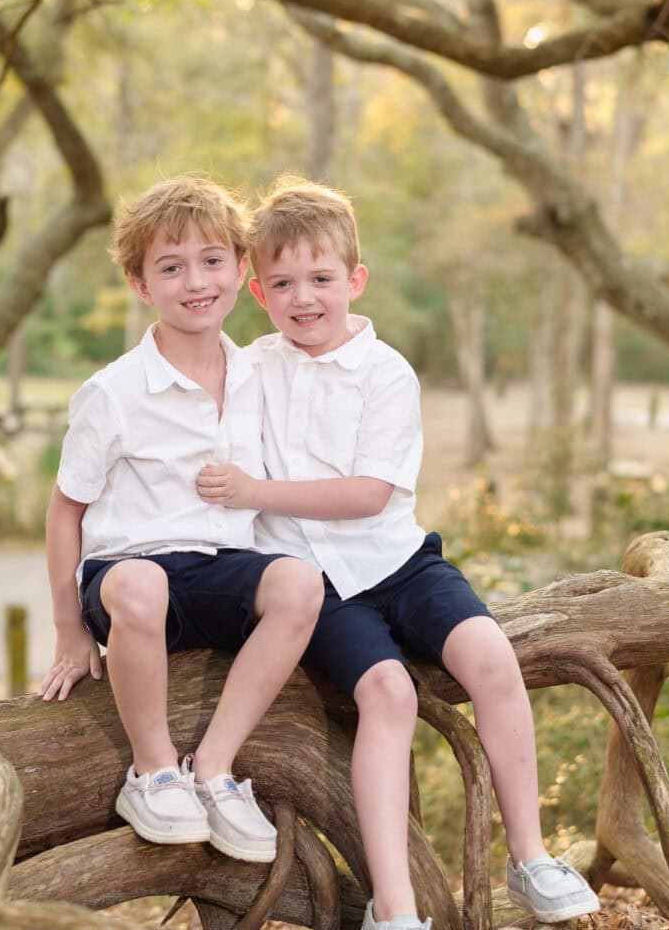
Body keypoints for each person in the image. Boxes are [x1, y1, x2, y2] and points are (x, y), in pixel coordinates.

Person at [197, 175, 603, 927]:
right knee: (389, 695)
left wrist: (254, 490)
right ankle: (397, 906)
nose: (303, 297)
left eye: (320, 279)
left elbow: (368, 495)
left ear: (355, 280)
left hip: (399, 562)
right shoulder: (250, 366)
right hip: (317, 584)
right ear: (259, 291)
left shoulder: (386, 373)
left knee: (490, 657)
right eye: (282, 283)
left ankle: (531, 856)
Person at [40, 174, 324, 865]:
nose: (195, 282)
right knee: (142, 586)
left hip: (219, 569)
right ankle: (154, 771)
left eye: (212, 261)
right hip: (128, 577)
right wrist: (71, 633)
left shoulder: (262, 375)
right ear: (142, 285)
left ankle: (215, 770)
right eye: (171, 268)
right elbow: (64, 511)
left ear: (240, 268)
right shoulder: (114, 393)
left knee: (299, 585)